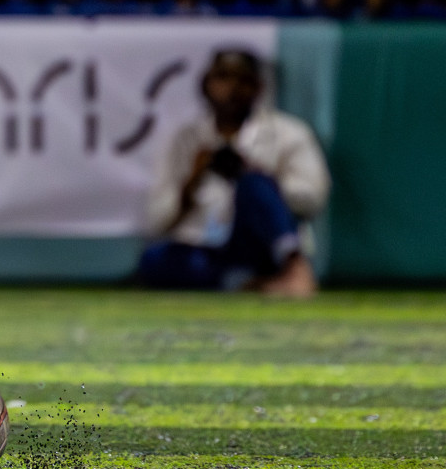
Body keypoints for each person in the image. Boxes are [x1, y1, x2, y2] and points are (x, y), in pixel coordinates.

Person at [139, 50, 327, 297]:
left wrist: (259, 177)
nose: (232, 88)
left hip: (262, 243)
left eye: (243, 80)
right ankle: (246, 282)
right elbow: (155, 220)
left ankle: (294, 268)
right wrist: (192, 181)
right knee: (155, 261)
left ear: (258, 88)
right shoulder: (186, 138)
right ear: (206, 85)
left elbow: (314, 198)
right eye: (223, 78)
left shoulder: (288, 133)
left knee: (252, 183)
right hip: (206, 247)